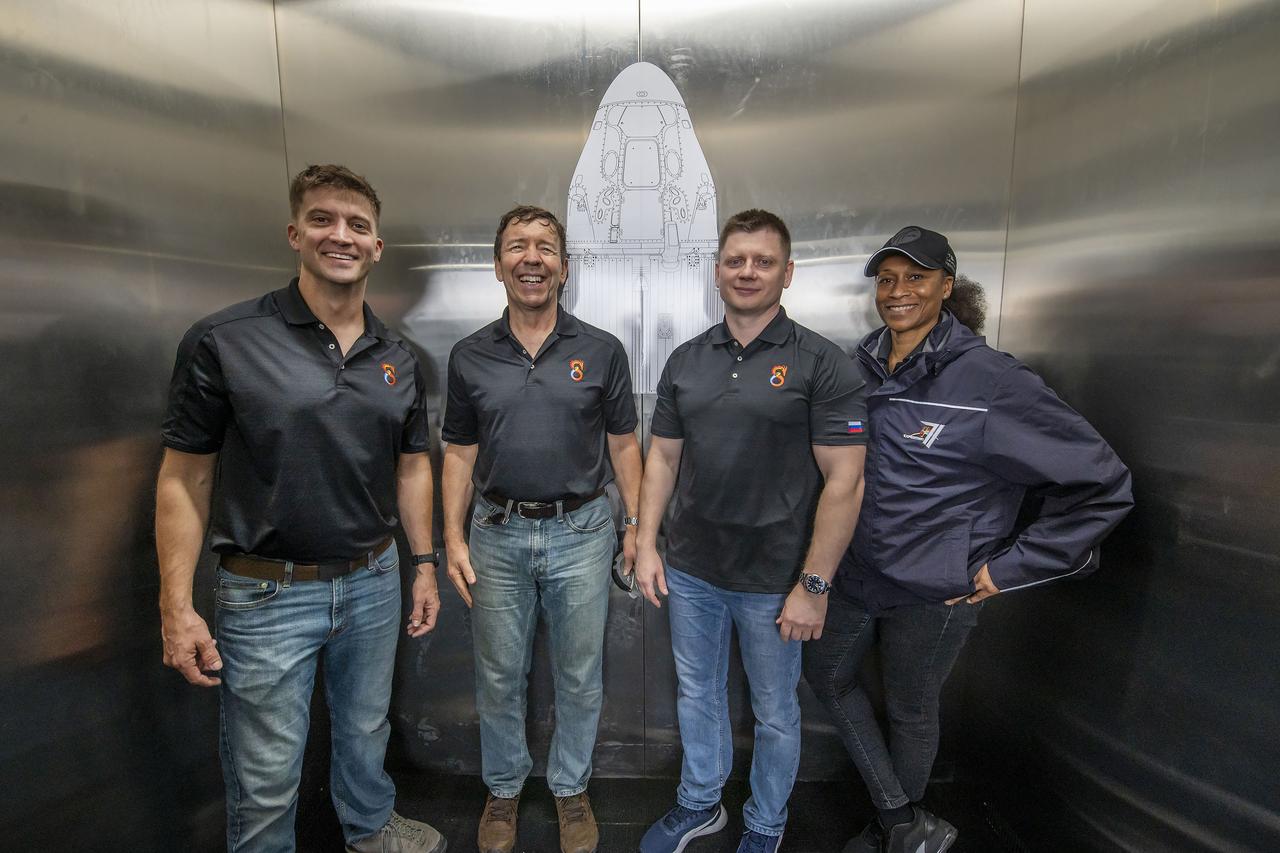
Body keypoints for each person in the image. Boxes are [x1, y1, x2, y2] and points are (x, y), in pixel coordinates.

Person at [802, 226, 1133, 853]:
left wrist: (1011, 567)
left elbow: (1103, 482)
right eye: (888, 279)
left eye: (917, 278)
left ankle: (889, 829)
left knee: (909, 707)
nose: (898, 292)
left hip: (937, 593)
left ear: (947, 288)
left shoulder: (991, 382)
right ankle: (903, 821)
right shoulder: (857, 367)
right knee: (824, 674)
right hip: (854, 573)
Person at [156, 164, 445, 852]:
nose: (339, 235)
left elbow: (412, 468)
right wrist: (175, 604)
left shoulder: (397, 358)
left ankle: (371, 828)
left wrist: (425, 562)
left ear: (377, 246)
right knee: (265, 776)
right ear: (295, 233)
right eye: (323, 219)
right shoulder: (225, 340)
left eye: (357, 225)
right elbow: (183, 479)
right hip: (266, 591)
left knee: (366, 729)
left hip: (373, 580)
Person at [635, 209, 869, 853]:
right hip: (691, 570)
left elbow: (846, 482)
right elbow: (662, 457)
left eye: (763, 261)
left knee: (774, 710)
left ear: (787, 273)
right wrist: (645, 542)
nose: (747, 271)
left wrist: (814, 584)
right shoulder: (686, 359)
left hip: (776, 580)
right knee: (697, 692)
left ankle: (766, 823)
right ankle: (701, 804)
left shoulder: (822, 364)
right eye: (735, 259)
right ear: (717, 270)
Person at [440, 205, 642, 853]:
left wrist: (635, 525)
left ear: (564, 267)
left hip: (583, 531)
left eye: (546, 247)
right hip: (495, 532)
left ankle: (570, 789)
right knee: (499, 674)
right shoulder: (470, 354)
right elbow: (459, 454)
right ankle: (502, 791)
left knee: (580, 673)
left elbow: (625, 447)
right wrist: (450, 537)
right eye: (518, 246)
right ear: (498, 264)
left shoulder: (601, 350)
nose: (532, 257)